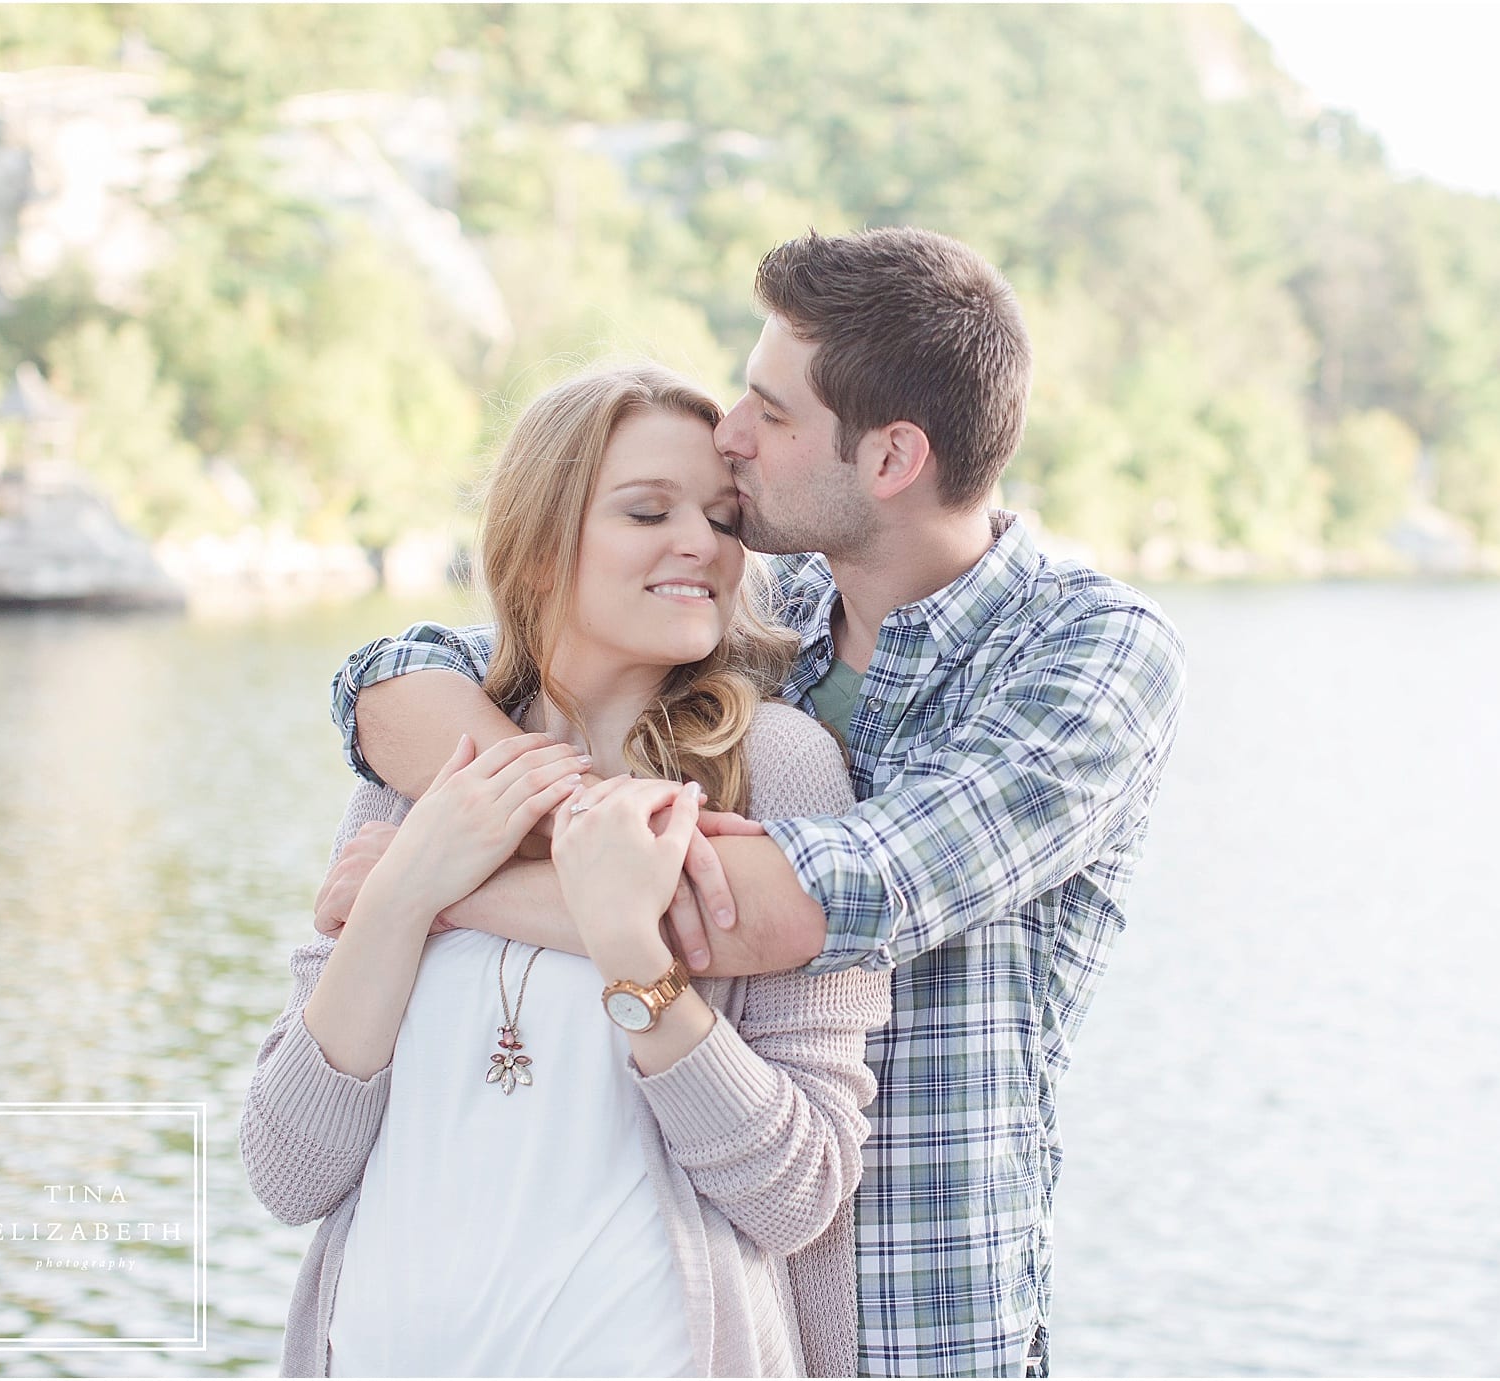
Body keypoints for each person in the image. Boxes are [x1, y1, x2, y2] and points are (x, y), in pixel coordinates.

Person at [322, 227, 1188, 1376]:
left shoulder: (1087, 659)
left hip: (919, 1327)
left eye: (770, 413)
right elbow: (399, 678)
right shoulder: (760, 623)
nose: (733, 435)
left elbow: (792, 906)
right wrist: (536, 833)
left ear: (889, 460)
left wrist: (425, 887)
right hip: (715, 1315)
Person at [241, 364, 890, 1377]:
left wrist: (631, 947)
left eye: (724, 518)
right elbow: (289, 1168)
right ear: (540, 549)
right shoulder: (422, 776)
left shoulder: (780, 768)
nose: (702, 544)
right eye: (647, 510)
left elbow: (797, 1190)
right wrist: (410, 886)